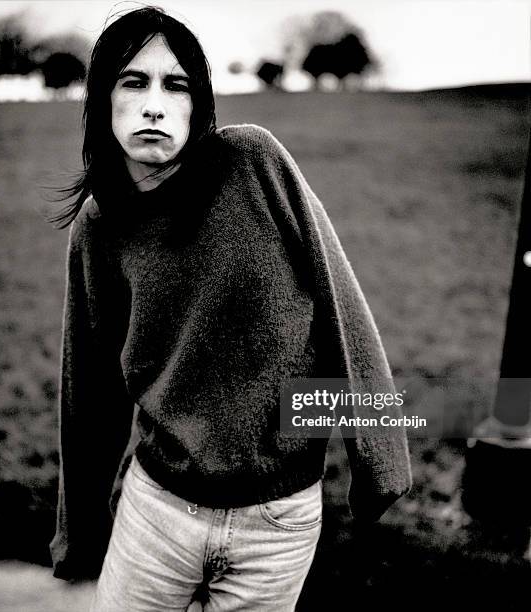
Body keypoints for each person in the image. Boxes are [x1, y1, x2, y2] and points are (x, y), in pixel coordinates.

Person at [48, 6, 412, 611]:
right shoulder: (98, 227)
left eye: (176, 85)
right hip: (157, 512)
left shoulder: (254, 163)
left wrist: (381, 457)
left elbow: (340, 303)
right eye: (133, 82)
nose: (154, 104)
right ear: (101, 101)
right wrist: (79, 531)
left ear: (199, 106)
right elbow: (87, 388)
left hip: (278, 521)